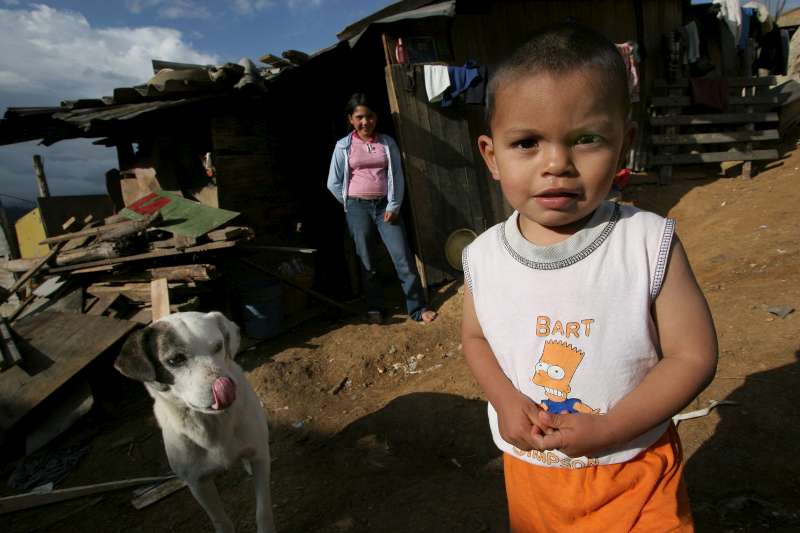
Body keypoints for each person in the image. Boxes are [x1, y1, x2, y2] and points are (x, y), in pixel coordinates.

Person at [461, 25, 718, 532]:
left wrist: (609, 428)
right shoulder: (483, 256)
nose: (557, 164)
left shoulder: (646, 242)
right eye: (527, 142)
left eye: (586, 139)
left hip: (636, 471)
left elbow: (693, 355)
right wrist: (506, 401)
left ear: (625, 143)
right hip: (534, 480)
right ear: (492, 156)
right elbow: (475, 337)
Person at [327, 93, 437, 324]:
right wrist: (349, 203)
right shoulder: (343, 146)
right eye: (359, 117)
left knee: (403, 258)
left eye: (369, 117)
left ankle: (417, 308)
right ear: (350, 119)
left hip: (386, 208)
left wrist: (394, 205)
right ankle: (376, 308)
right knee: (367, 261)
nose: (365, 122)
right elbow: (333, 182)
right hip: (357, 208)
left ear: (376, 118)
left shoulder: (387, 143)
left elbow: (396, 174)